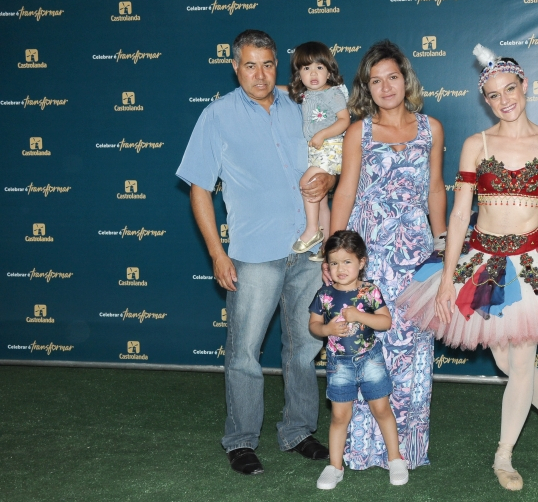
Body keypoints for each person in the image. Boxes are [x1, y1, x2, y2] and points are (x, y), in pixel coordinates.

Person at [398, 44, 538, 492]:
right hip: (482, 262)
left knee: (522, 362)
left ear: (525, 86)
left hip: (532, 265)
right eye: (493, 94)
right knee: (507, 362)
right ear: (485, 100)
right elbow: (458, 215)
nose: (504, 99)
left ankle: (503, 455)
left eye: (510, 89)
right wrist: (446, 281)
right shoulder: (477, 144)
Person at [176, 29, 336, 475]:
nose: (260, 75)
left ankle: (298, 431)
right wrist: (217, 253)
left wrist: (329, 178)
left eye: (267, 64)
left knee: (304, 347)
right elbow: (199, 189)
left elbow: (330, 157)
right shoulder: (217, 116)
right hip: (253, 253)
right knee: (244, 353)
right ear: (235, 67)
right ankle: (241, 440)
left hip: (308, 249)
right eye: (250, 65)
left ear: (276, 64)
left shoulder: (303, 105)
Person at [329, 40, 447, 471]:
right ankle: (362, 448)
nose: (386, 87)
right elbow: (345, 191)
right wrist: (334, 253)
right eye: (375, 81)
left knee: (412, 343)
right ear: (367, 88)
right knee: (366, 342)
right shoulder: (357, 132)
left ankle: (406, 450)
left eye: (392, 77)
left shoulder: (431, 128)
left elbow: (435, 189)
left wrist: (441, 245)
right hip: (368, 250)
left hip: (415, 251)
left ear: (405, 79)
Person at [309, 230, 408, 489]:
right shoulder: (324, 295)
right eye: (334, 262)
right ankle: (335, 466)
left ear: (361, 262)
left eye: (347, 261)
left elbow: (385, 322)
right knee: (339, 416)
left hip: (370, 360)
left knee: (382, 409)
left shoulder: (370, 291)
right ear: (326, 265)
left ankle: (395, 459)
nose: (340, 268)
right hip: (339, 364)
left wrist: (359, 316)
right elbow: (314, 325)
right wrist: (327, 329)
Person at [287, 42, 351, 261]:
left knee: (306, 183)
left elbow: (344, 120)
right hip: (317, 150)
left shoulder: (333, 93)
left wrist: (323, 134)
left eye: (319, 67)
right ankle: (327, 247)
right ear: (299, 74)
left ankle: (312, 229)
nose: (313, 73)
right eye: (306, 68)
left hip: (331, 147)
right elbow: (284, 90)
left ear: (329, 72)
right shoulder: (307, 94)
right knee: (320, 199)